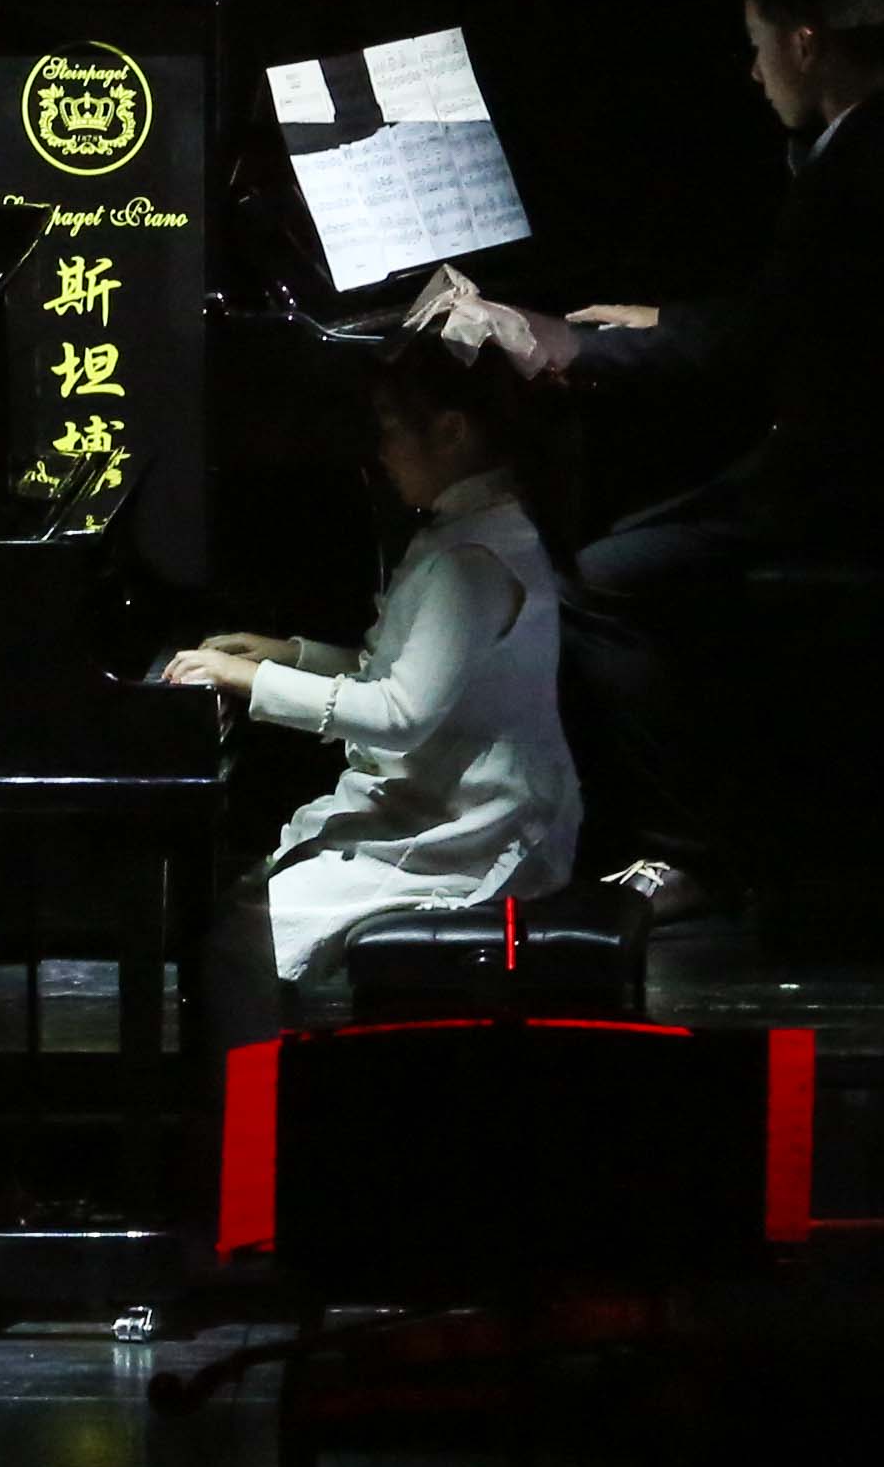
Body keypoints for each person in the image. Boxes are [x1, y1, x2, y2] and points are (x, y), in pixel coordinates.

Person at [423, 0, 884, 916]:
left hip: (860, 483)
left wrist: (576, 347)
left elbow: (752, 350)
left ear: (803, 42)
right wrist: (657, 320)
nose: (753, 70)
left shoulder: (864, 167)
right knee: (644, 532)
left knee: (603, 578)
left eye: (759, 43)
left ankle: (691, 852)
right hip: (852, 458)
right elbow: (791, 312)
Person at [159, 326, 579, 1043]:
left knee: (242, 936)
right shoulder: (471, 526)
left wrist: (254, 680)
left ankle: (249, 1099)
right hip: (442, 803)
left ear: (451, 432)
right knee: (241, 905)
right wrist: (289, 654)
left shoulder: (475, 556)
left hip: (473, 829)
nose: (380, 448)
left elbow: (398, 714)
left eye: (390, 427)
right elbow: (400, 672)